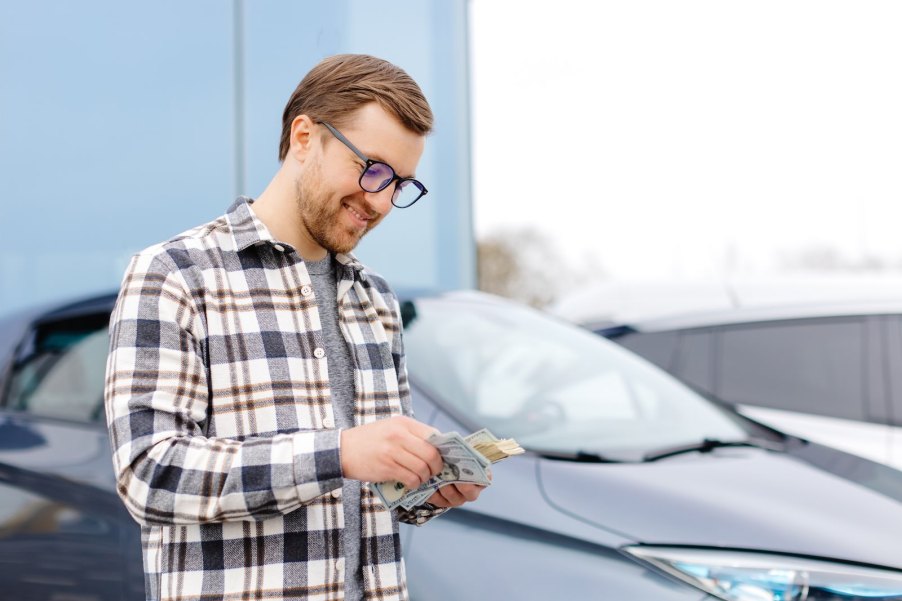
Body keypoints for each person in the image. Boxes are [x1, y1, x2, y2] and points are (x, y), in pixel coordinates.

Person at [104, 53, 485, 601]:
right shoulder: (174, 275)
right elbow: (150, 475)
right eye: (371, 168)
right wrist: (339, 452)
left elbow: (375, 497)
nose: (380, 201)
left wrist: (428, 484)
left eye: (399, 183)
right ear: (304, 137)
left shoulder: (374, 299)